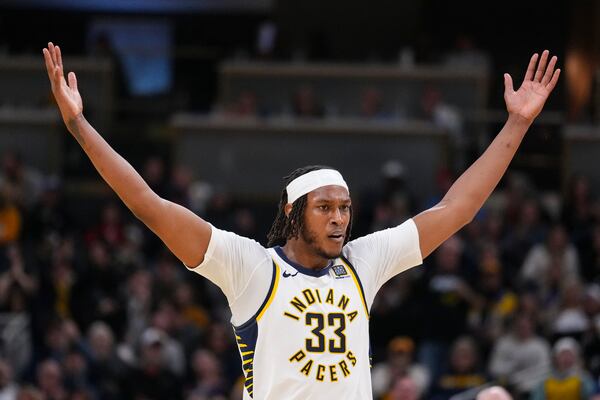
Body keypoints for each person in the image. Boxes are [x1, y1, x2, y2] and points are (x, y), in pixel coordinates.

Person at [43, 42, 560, 399]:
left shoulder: (363, 262)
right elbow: (148, 204)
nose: (339, 220)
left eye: (345, 209)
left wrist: (516, 123)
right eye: (326, 208)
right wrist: (80, 125)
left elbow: (457, 209)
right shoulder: (250, 267)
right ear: (293, 213)